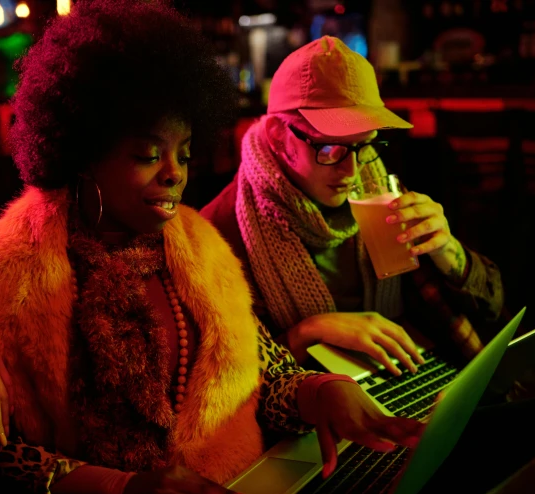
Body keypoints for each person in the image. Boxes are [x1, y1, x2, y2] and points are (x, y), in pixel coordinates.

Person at [0, 2, 423, 494]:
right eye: (149, 155)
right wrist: (116, 491)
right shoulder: (13, 270)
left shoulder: (199, 248)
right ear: (84, 152)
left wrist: (323, 391)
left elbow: (265, 375)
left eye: (185, 152)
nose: (174, 174)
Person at [201, 36, 505, 375]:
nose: (352, 171)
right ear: (277, 135)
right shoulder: (217, 233)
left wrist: (450, 253)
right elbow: (220, 379)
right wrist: (305, 334)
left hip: (405, 374)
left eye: (363, 145)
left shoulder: (378, 190)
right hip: (308, 410)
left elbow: (492, 305)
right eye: (330, 149)